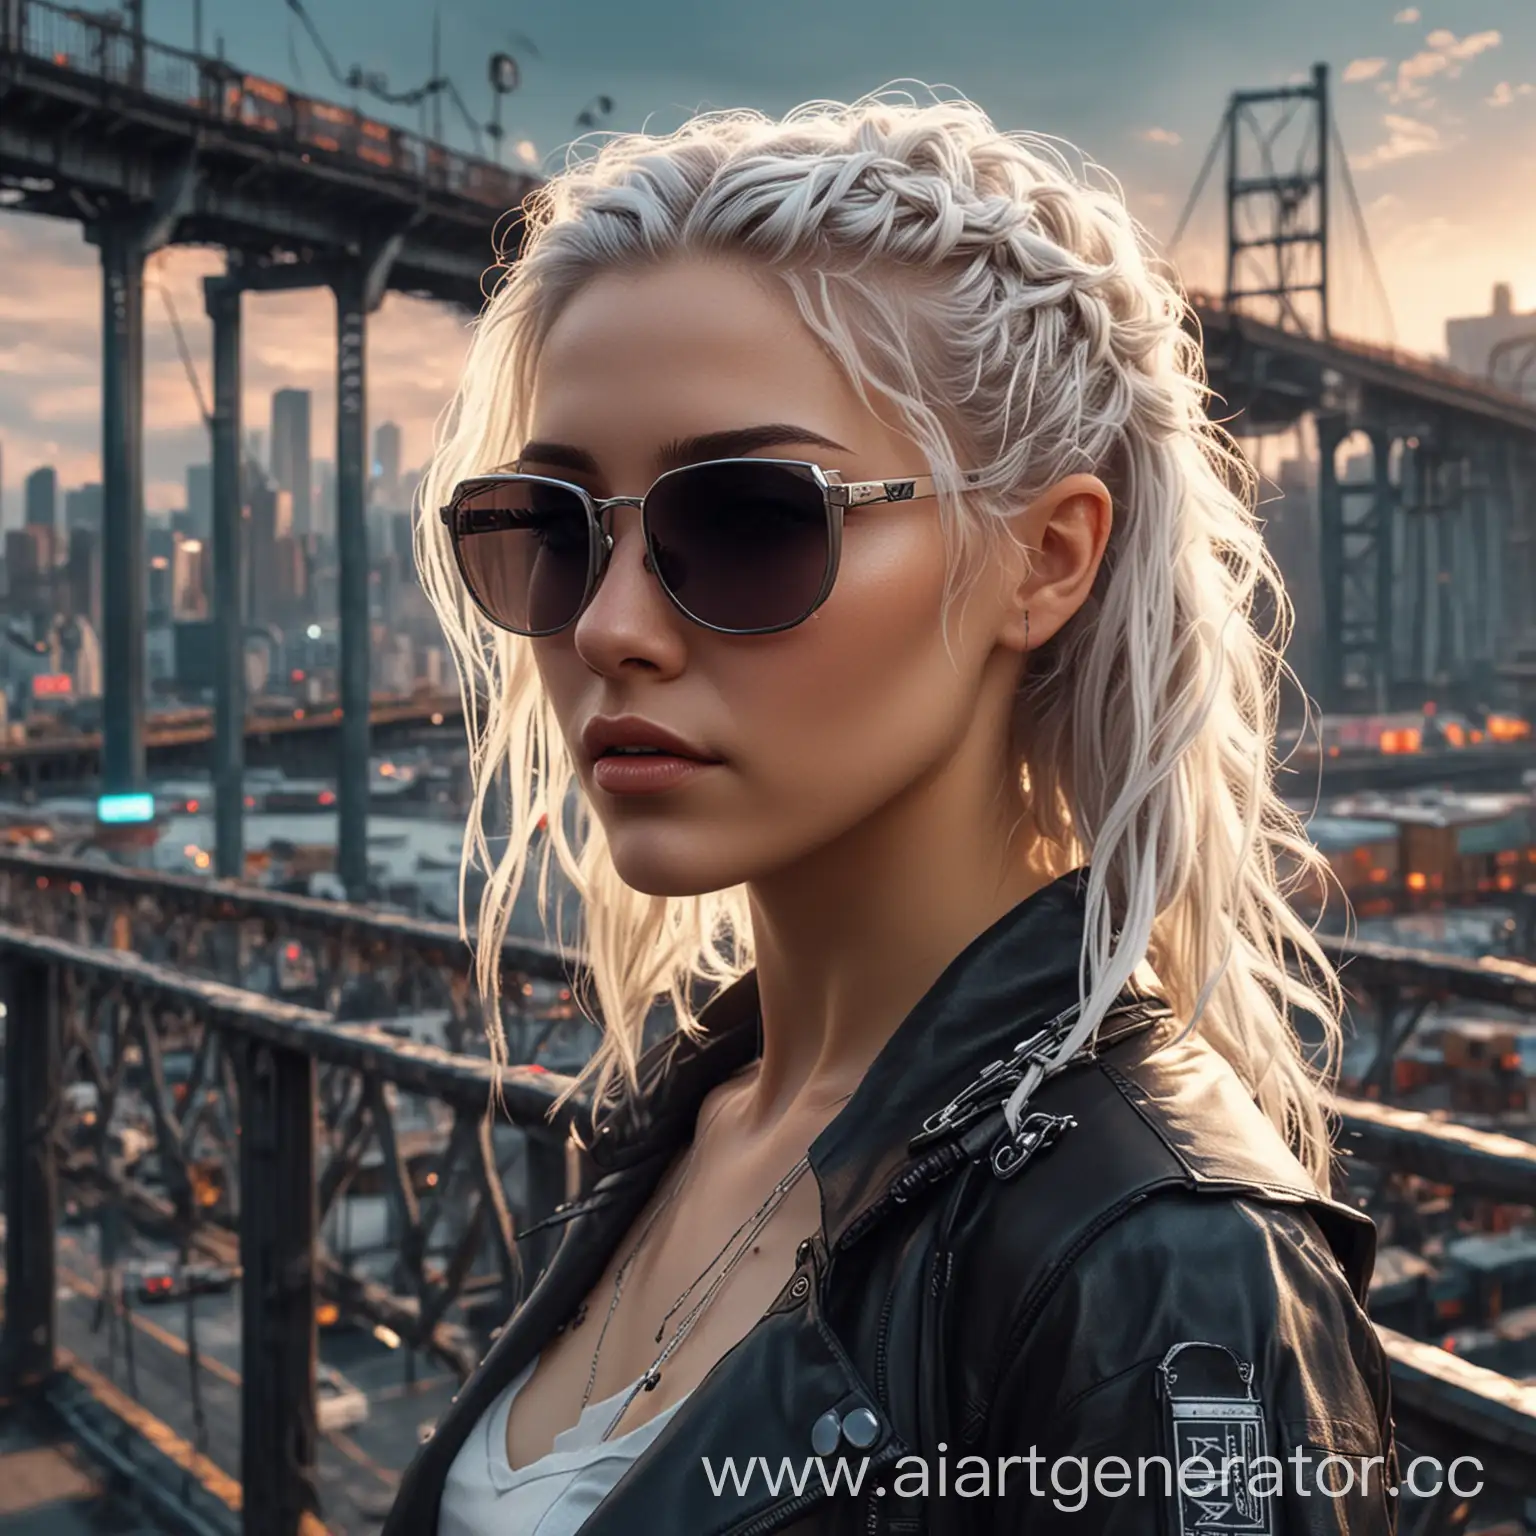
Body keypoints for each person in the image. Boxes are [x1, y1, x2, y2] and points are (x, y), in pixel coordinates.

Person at [383, 88, 1395, 1536]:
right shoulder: (686, 1120)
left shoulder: (1165, 1278)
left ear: (1047, 560)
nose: (608, 629)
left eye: (743, 520)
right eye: (547, 529)